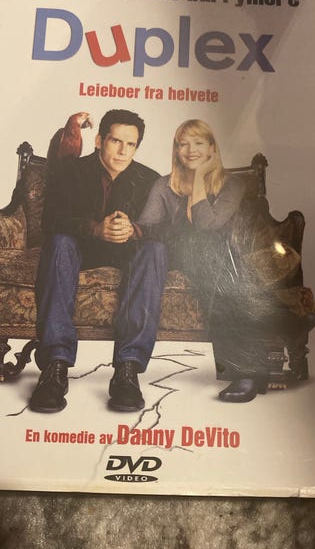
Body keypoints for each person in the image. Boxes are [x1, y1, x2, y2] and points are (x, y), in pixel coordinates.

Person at [111, 119, 270, 407]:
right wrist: (131, 228)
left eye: (198, 143)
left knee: (210, 249)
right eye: (183, 144)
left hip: (212, 256)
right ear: (176, 150)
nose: (190, 149)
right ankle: (127, 369)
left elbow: (207, 224)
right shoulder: (163, 185)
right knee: (151, 249)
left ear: (212, 148)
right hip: (173, 254)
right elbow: (148, 228)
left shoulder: (232, 184)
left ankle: (244, 368)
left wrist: (197, 180)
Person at [29, 109, 160, 413]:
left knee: (155, 250)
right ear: (100, 140)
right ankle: (55, 368)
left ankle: (127, 370)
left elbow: (169, 229)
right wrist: (94, 228)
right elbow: (50, 221)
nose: (123, 151)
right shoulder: (71, 171)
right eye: (116, 141)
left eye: (131, 144)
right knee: (59, 243)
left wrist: (135, 230)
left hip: (126, 252)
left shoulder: (149, 179)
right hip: (80, 249)